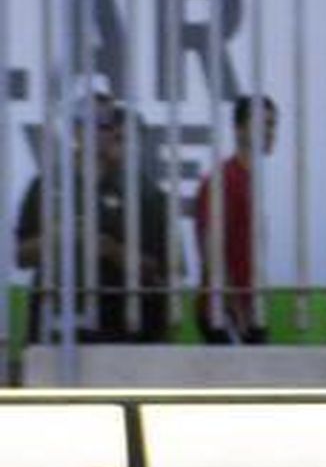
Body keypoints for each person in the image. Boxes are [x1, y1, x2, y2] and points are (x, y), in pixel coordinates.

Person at [13, 98, 176, 343]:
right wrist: (57, 239)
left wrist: (112, 250)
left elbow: (157, 273)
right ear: (76, 130)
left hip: (120, 331)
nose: (106, 132)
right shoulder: (47, 186)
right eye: (98, 124)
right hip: (56, 327)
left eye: (110, 125)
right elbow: (21, 257)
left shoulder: (141, 193)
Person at [193, 94, 278, 344]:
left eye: (273, 124)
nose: (270, 132)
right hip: (226, 315)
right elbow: (213, 251)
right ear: (239, 129)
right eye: (263, 123)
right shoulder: (225, 180)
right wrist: (237, 313)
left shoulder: (247, 179)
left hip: (243, 312)